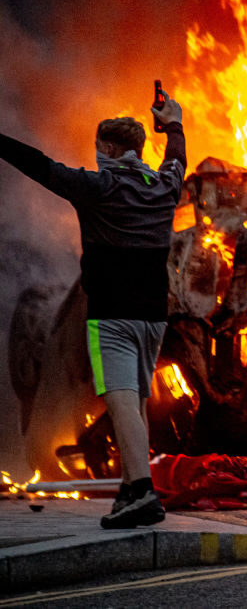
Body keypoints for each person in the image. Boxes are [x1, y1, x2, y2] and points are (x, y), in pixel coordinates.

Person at [0, 94, 186, 528]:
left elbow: (40, 165)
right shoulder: (165, 185)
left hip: (113, 316)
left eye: (98, 148)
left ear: (105, 149)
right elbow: (177, 157)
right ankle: (129, 490)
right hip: (154, 316)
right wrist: (173, 124)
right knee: (136, 400)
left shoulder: (96, 187)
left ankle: (142, 493)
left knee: (119, 400)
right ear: (139, 149)